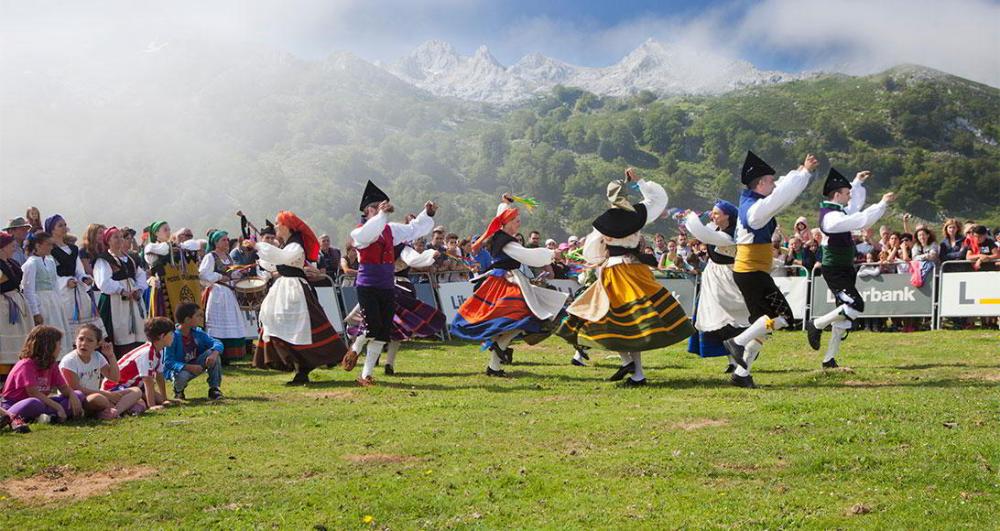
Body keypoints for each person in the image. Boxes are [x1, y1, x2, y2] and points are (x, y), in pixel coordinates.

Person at [556, 169, 692, 386]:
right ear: (626, 195)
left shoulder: (603, 221)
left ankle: (630, 365)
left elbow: (590, 249)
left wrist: (602, 257)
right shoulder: (638, 213)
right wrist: (640, 182)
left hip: (612, 271)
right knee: (632, 322)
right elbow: (659, 199)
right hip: (634, 270)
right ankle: (636, 372)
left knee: (609, 319)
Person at [725, 151, 819, 388]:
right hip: (751, 272)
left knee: (763, 324)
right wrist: (804, 173)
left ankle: (742, 373)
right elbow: (779, 199)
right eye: (770, 180)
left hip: (751, 272)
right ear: (760, 183)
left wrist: (799, 174)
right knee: (784, 317)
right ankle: (738, 341)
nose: (774, 184)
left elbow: (780, 195)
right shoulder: (754, 209)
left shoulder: (753, 202)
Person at [453, 193, 566, 377]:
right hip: (503, 282)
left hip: (508, 280)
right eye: (515, 220)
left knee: (519, 319)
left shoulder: (502, 237)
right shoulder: (505, 241)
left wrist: (505, 203)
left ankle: (494, 364)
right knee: (520, 317)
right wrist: (552, 254)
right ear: (505, 223)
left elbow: (502, 218)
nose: (518, 223)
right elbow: (527, 256)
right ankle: (497, 350)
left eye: (519, 220)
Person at [341, 181, 437, 386]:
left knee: (383, 332)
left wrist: (426, 214)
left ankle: (366, 375)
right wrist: (382, 215)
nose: (381, 210)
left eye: (382, 206)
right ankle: (356, 347)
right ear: (368, 211)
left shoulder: (390, 229)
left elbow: (413, 229)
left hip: (387, 286)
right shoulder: (358, 233)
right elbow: (370, 233)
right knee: (373, 327)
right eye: (376, 207)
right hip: (367, 286)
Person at [805, 168, 893, 368]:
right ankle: (817, 324)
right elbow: (859, 218)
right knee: (855, 305)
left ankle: (829, 359)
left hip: (844, 267)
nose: (849, 195)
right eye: (846, 192)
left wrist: (857, 182)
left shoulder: (838, 211)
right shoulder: (830, 217)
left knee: (844, 314)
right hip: (834, 269)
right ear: (837, 195)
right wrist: (882, 204)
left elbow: (853, 207)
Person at [254, 211, 348, 385]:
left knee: (299, 326)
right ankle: (293, 364)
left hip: (294, 289)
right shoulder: (288, 244)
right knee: (278, 322)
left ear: (286, 226)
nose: (275, 227)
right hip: (284, 287)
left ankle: (303, 367)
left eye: (277, 223)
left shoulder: (295, 245)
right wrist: (258, 252)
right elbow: (274, 263)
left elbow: (283, 257)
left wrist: (259, 246)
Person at [346, 239, 445, 376]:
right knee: (395, 329)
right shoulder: (402, 248)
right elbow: (415, 261)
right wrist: (431, 254)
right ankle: (387, 365)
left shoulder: (371, 245)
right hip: (399, 290)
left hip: (375, 286)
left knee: (372, 324)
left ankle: (359, 353)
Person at [683, 201, 750, 373]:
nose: (713, 215)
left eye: (717, 213)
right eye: (713, 213)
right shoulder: (717, 231)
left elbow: (702, 233)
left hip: (727, 279)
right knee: (716, 320)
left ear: (728, 216)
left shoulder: (728, 236)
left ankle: (740, 358)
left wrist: (690, 217)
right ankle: (732, 361)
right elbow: (705, 228)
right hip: (713, 278)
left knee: (731, 320)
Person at [1, 326, 85, 425]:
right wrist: (58, 407)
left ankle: (43, 417)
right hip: (16, 404)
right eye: (58, 344)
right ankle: (10, 418)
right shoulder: (26, 364)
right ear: (48, 346)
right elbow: (33, 393)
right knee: (34, 403)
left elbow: (64, 388)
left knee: (78, 394)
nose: (60, 348)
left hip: (44, 402)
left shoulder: (52, 364)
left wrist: (72, 395)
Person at [59, 324, 143, 419]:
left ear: (97, 344)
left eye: (90, 340)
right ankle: (116, 409)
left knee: (136, 391)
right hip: (78, 399)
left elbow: (115, 378)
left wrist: (111, 355)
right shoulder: (69, 360)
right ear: (75, 340)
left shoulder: (97, 356)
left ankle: (115, 412)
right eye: (81, 339)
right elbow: (75, 389)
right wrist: (107, 394)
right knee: (99, 399)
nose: (84, 343)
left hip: (99, 394)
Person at [45, 215, 105, 339]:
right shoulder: (50, 250)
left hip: (78, 292)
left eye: (65, 225)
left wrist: (84, 278)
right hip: (62, 293)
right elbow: (50, 274)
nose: (64, 228)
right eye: (60, 225)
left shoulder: (73, 248)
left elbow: (78, 270)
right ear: (51, 229)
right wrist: (65, 281)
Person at [94, 227, 148, 356]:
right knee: (120, 331)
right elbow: (103, 282)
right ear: (108, 241)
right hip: (115, 301)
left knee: (138, 329)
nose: (120, 240)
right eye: (115, 237)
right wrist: (121, 290)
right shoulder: (104, 259)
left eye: (121, 237)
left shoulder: (130, 258)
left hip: (133, 300)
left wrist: (139, 290)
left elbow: (140, 275)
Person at [102, 317, 175, 410]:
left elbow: (159, 376)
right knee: (140, 405)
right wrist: (152, 406)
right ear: (161, 336)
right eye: (171, 334)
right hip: (114, 387)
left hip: (134, 386)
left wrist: (164, 399)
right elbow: (148, 380)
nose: (173, 336)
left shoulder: (159, 350)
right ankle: (117, 407)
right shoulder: (147, 352)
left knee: (160, 400)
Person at [199, 230, 248, 363]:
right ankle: (215, 354)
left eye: (227, 240)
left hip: (229, 293)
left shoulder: (228, 257)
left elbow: (231, 273)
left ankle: (227, 355)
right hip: (217, 293)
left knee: (230, 321)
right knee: (217, 323)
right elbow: (203, 274)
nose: (227, 242)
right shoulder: (211, 256)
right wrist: (220, 277)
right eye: (223, 240)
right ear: (215, 242)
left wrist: (239, 274)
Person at [21, 232, 73, 352]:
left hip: (53, 302)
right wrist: (35, 312)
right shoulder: (31, 264)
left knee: (58, 328)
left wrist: (60, 303)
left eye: (52, 244)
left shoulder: (50, 261)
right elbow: (29, 289)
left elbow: (55, 284)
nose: (51, 247)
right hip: (42, 302)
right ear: (38, 246)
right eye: (48, 244)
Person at [144, 221, 205, 320]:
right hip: (162, 289)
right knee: (164, 317)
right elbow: (164, 250)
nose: (168, 232)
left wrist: (178, 246)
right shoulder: (152, 247)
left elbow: (195, 245)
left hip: (177, 287)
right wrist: (174, 246)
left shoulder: (176, 246)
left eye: (169, 229)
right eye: (165, 230)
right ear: (156, 233)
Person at [163, 303, 224, 400]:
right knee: (181, 375)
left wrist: (214, 353)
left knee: (212, 353)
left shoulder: (198, 332)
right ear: (187, 319)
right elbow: (168, 362)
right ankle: (178, 391)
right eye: (198, 315)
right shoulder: (172, 336)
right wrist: (189, 367)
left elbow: (217, 343)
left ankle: (214, 388)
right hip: (181, 369)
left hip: (197, 364)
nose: (201, 318)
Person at [1, 231, 33, 376]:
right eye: (10, 245)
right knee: (7, 341)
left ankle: (18, 370)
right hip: (3, 307)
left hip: (15, 302)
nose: (14, 247)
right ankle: (4, 373)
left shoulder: (11, 262)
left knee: (19, 338)